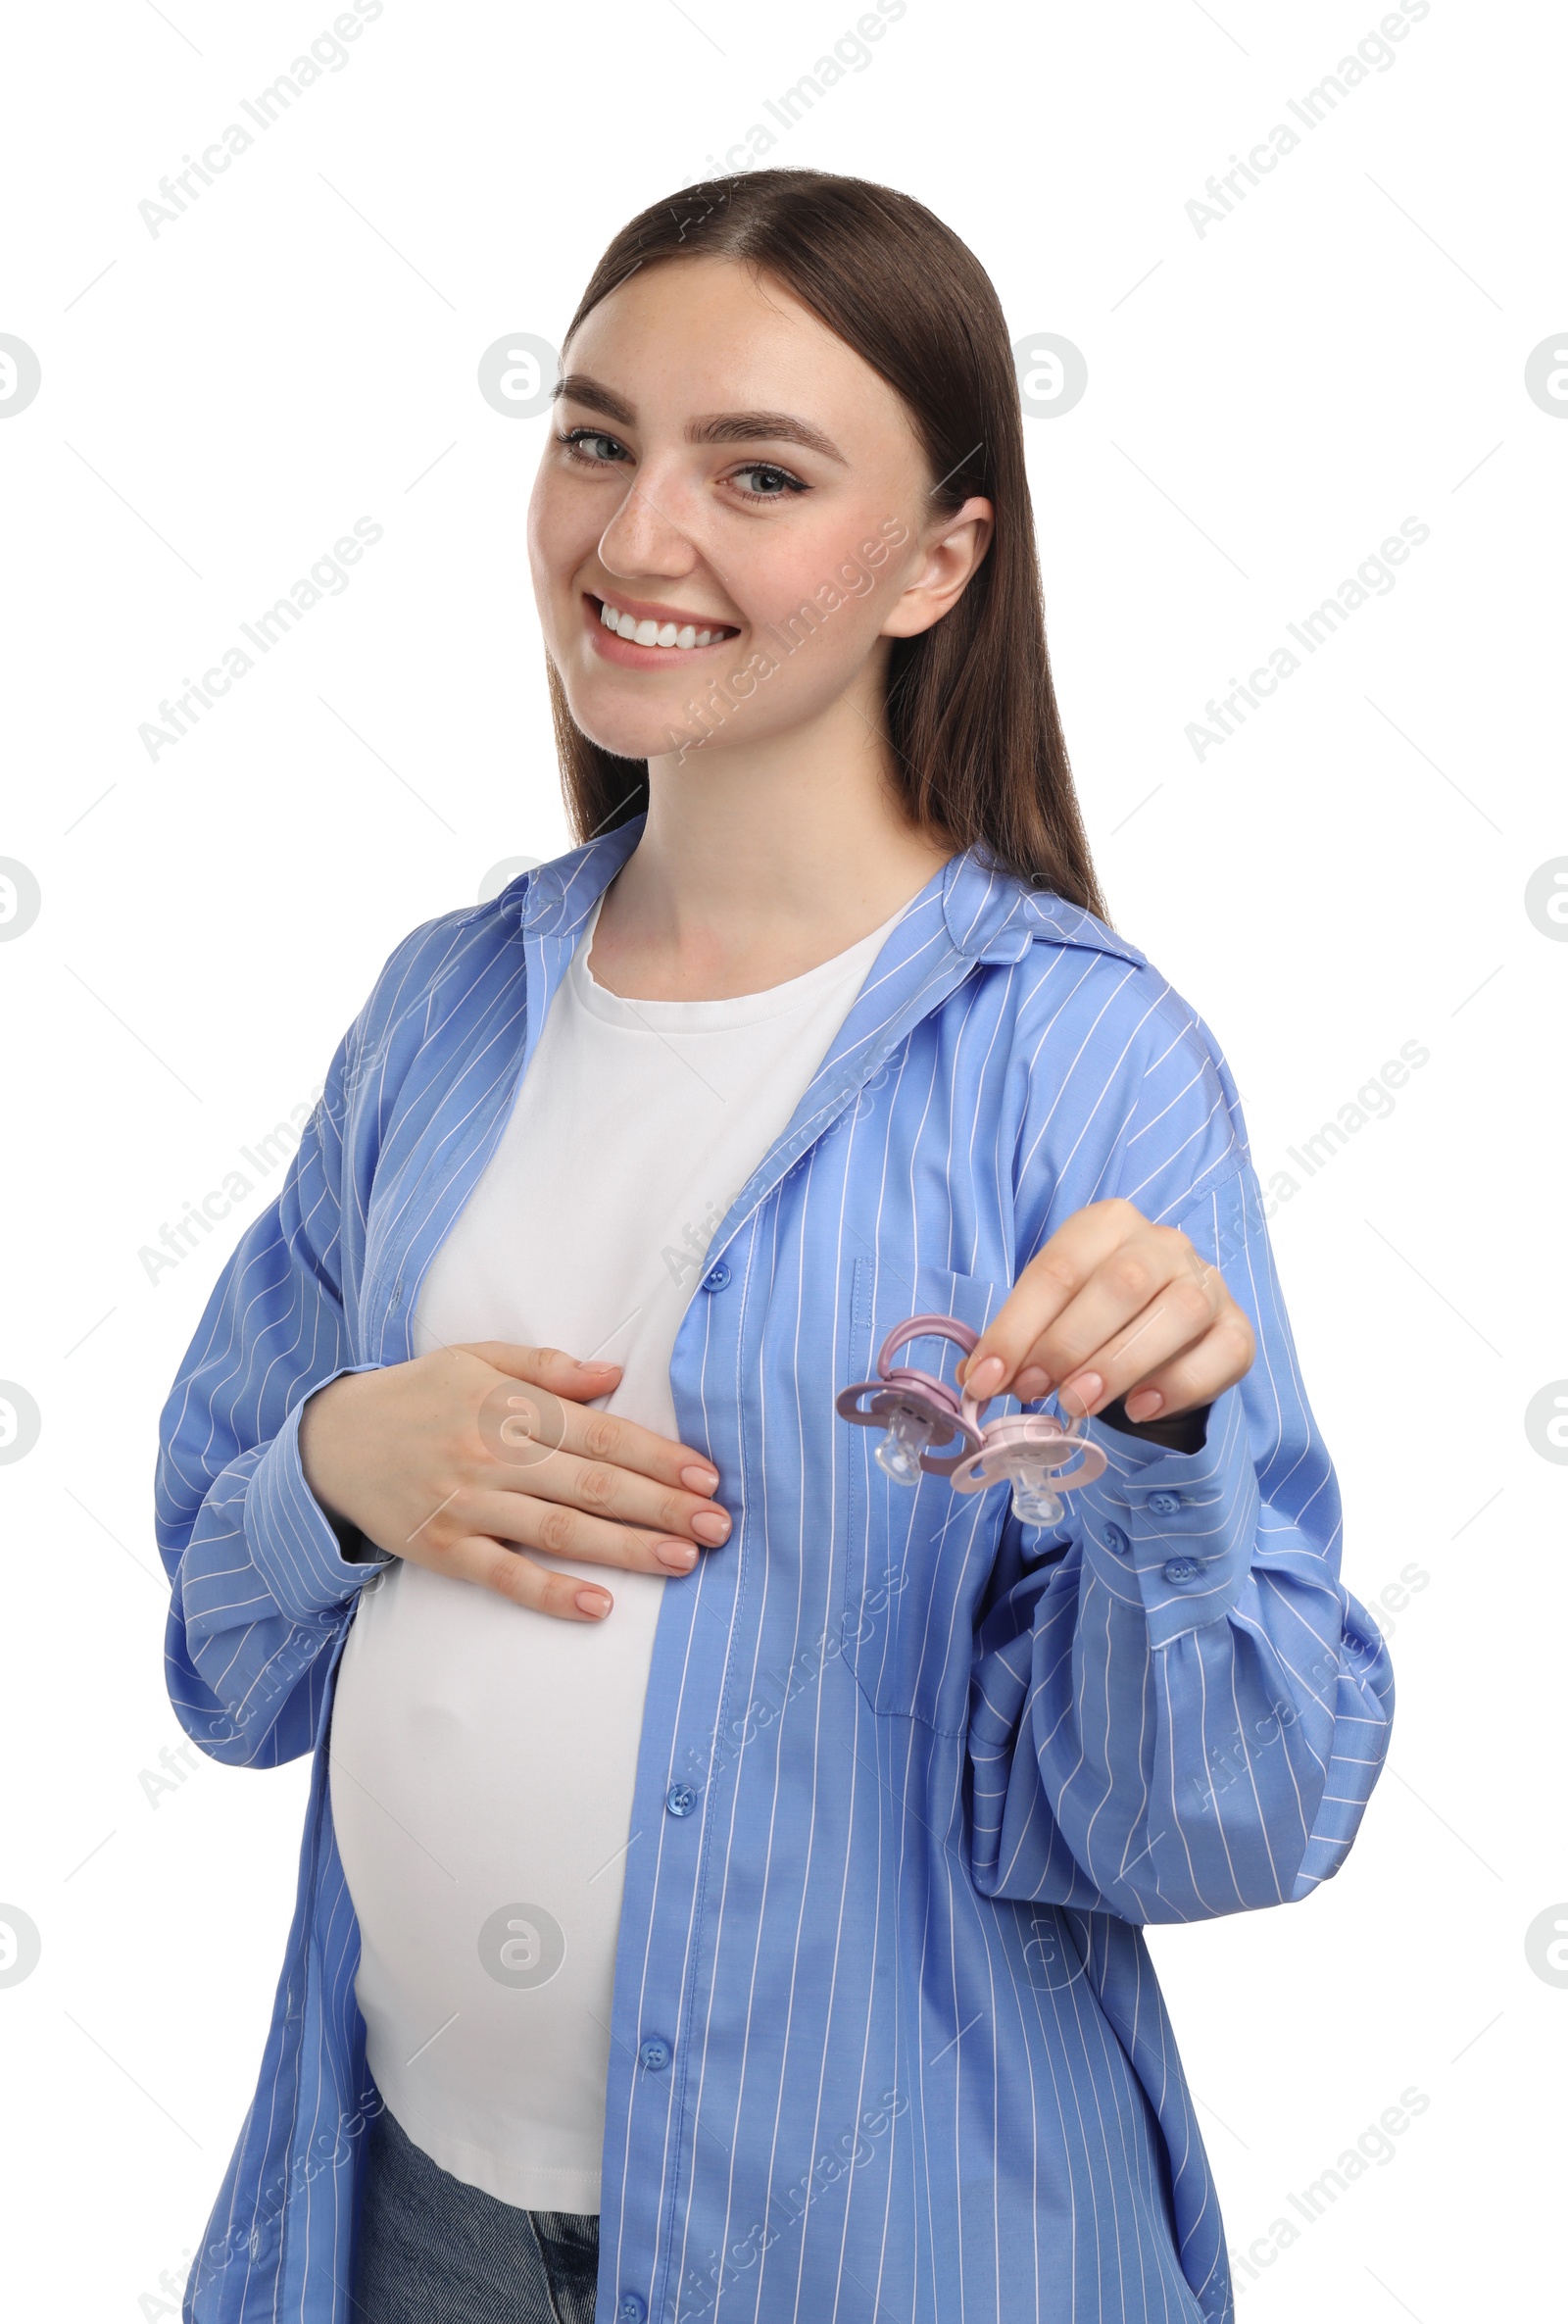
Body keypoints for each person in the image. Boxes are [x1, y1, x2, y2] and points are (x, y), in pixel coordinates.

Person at [156, 169, 1394, 2324]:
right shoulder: (438, 1013)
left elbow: (1223, 1823)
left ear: (938, 559)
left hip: (890, 2252)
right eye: (594, 436)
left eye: (760, 472)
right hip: (401, 2225)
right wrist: (341, 1468)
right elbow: (216, 1649)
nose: (637, 539)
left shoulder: (1079, 1069)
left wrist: (1167, 1477)